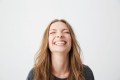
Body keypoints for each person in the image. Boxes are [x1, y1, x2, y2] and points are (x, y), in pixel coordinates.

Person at [27, 19, 94, 80]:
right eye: (53, 32)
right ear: (46, 42)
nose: (59, 35)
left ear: (72, 41)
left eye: (66, 32)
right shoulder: (35, 75)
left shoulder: (85, 73)